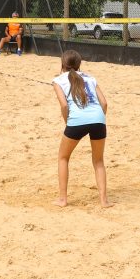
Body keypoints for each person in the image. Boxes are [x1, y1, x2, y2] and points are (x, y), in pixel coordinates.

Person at [51, 50, 112, 208]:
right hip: (99, 118)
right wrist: (98, 119)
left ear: (62, 64)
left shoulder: (58, 80)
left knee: (63, 158)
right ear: (80, 64)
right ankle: (104, 201)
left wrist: (68, 123)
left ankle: (63, 199)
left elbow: (64, 105)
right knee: (98, 161)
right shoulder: (91, 78)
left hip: (77, 120)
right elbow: (104, 103)